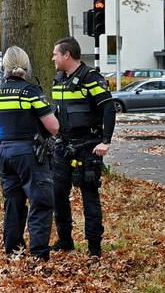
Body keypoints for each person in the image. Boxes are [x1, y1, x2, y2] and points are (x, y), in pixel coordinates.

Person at [0, 46, 59, 260]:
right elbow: (53, 126)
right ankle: (39, 252)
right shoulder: (31, 91)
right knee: (41, 200)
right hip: (28, 153)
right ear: (26, 64)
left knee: (13, 201)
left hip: (4, 152)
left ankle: (13, 249)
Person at [50, 37, 116, 257]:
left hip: (87, 146)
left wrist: (106, 141)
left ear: (67, 55)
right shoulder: (59, 79)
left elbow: (108, 108)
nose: (53, 58)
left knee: (89, 196)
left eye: (55, 54)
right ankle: (65, 239)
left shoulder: (91, 78)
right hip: (63, 146)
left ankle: (94, 247)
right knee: (58, 195)